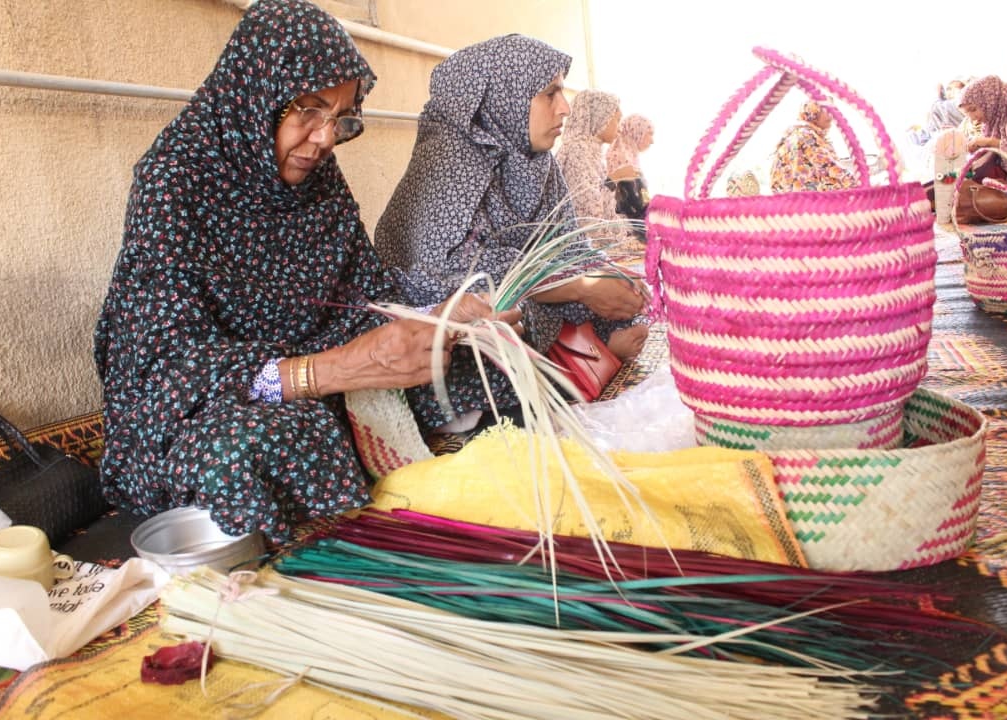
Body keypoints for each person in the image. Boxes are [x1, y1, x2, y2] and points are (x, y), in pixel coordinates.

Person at [93, 0, 521, 542]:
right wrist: (330, 371)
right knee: (240, 452)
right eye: (308, 111)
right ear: (254, 94)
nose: (324, 139)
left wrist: (434, 319)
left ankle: (355, 447)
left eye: (339, 119)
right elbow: (167, 368)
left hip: (330, 379)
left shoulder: (320, 182)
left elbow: (366, 295)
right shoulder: (174, 182)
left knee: (477, 364)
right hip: (216, 403)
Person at [373, 35, 647, 362]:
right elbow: (461, 274)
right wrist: (580, 286)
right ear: (505, 98)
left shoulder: (536, 161)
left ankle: (581, 349)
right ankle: (582, 356)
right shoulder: (450, 160)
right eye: (550, 94)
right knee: (499, 322)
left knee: (612, 297)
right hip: (443, 304)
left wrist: (607, 274)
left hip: (534, 284)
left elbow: (566, 241)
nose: (564, 108)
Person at [555, 89, 626, 236]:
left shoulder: (592, 150)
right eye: (617, 120)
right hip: (582, 248)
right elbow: (588, 221)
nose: (619, 129)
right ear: (601, 117)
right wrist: (613, 180)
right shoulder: (577, 151)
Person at [769, 100, 860, 193]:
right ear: (813, 114)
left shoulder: (794, 133)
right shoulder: (806, 135)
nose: (832, 115)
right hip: (807, 200)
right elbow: (828, 166)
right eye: (826, 110)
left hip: (790, 199)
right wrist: (859, 184)